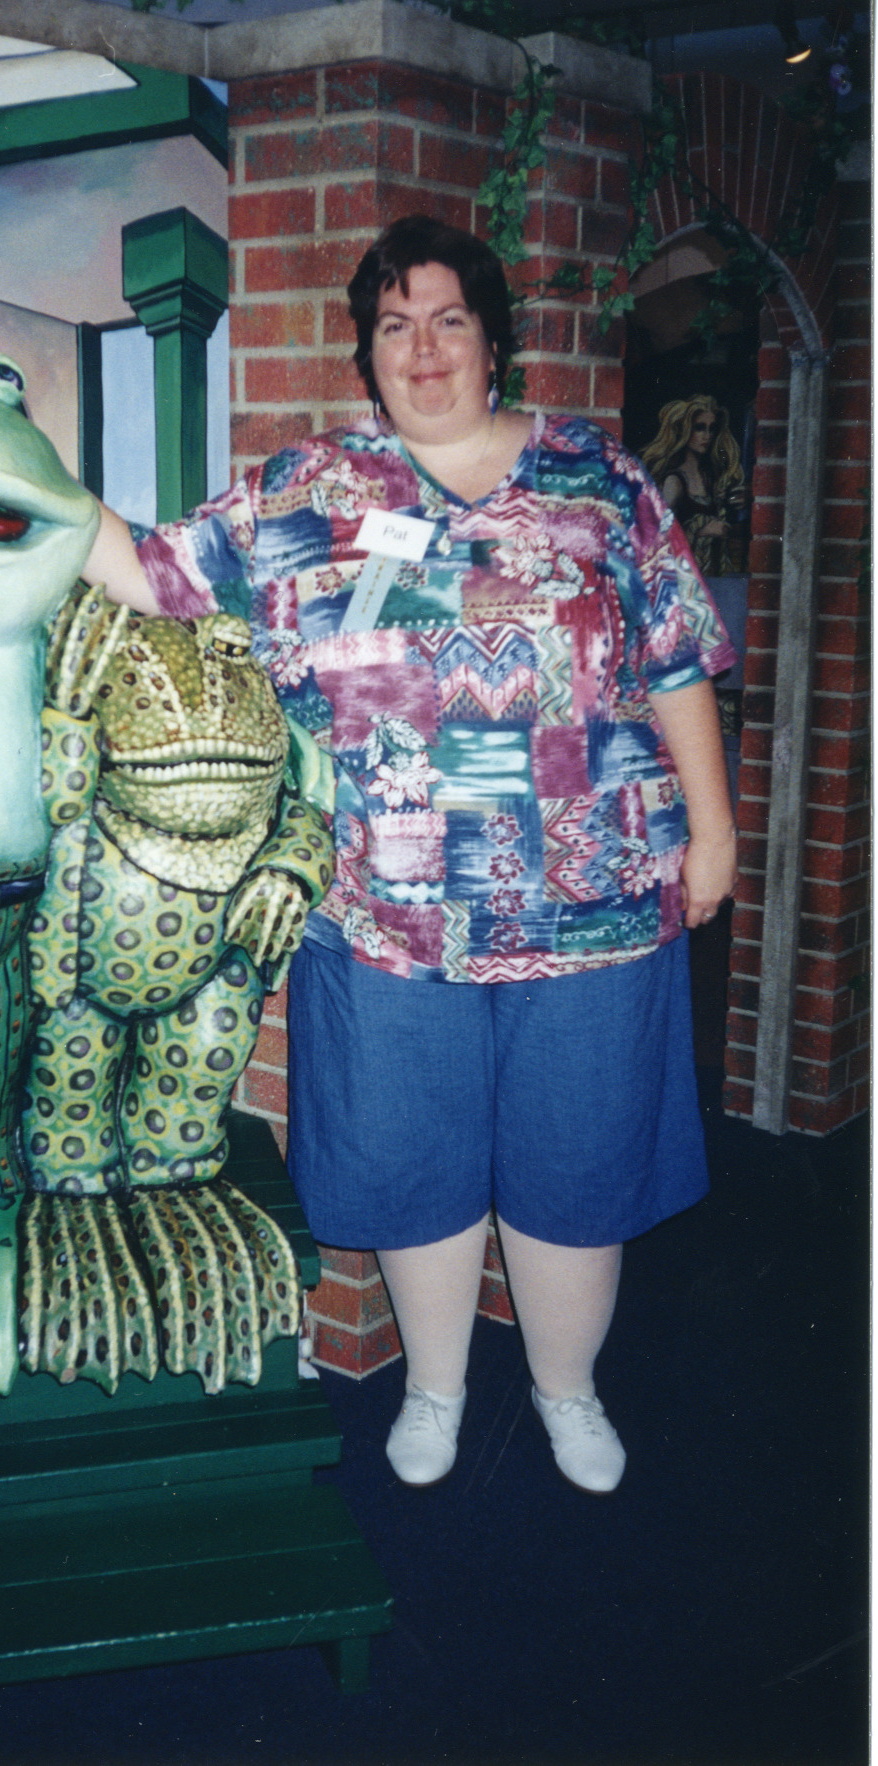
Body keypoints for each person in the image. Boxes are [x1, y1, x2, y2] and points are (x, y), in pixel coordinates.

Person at [83, 215, 737, 1494]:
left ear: (493, 341)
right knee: (411, 1157)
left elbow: (673, 660)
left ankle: (565, 1388)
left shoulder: (596, 479)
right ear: (367, 351)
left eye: (447, 320)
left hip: (591, 905)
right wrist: (25, 491)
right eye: (395, 325)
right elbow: (155, 574)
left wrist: (712, 832)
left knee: (577, 1159)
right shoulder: (314, 493)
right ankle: (434, 1387)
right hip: (388, 913)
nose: (423, 348)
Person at [641, 394, 746, 577]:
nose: (707, 436)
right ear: (685, 430)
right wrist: (701, 531)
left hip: (713, 573)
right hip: (684, 577)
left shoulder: (710, 478)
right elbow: (658, 536)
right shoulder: (674, 481)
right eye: (699, 428)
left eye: (711, 429)